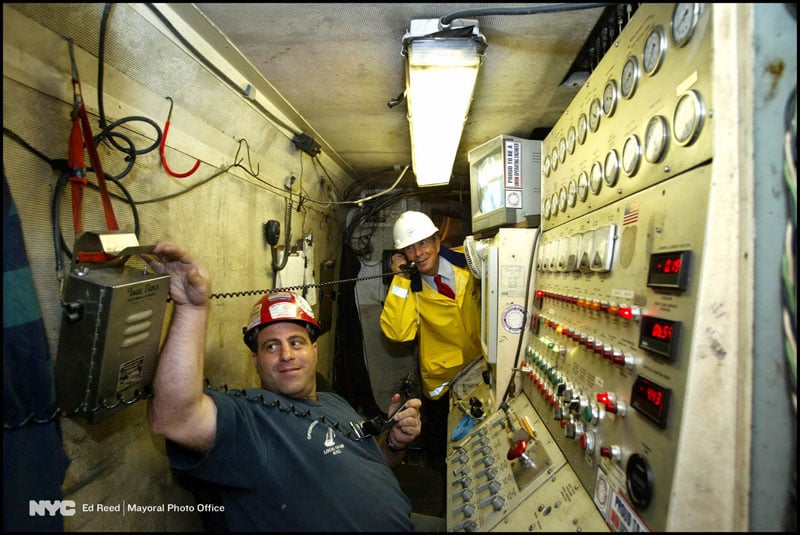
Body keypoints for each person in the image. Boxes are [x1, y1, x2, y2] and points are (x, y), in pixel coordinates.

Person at [144, 241, 424, 532]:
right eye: (271, 346)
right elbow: (175, 416)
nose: (286, 355)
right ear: (256, 362)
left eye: (296, 342)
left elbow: (376, 460)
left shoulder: (335, 403)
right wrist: (191, 307)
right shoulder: (251, 420)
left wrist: (394, 441)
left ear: (314, 350)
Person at [379, 211, 482, 465]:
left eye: (423, 243)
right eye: (409, 249)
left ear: (437, 241)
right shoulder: (409, 288)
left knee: (482, 438)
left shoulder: (471, 263)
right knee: (442, 450)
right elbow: (398, 332)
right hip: (443, 384)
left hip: (484, 369)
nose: (418, 253)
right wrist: (401, 280)